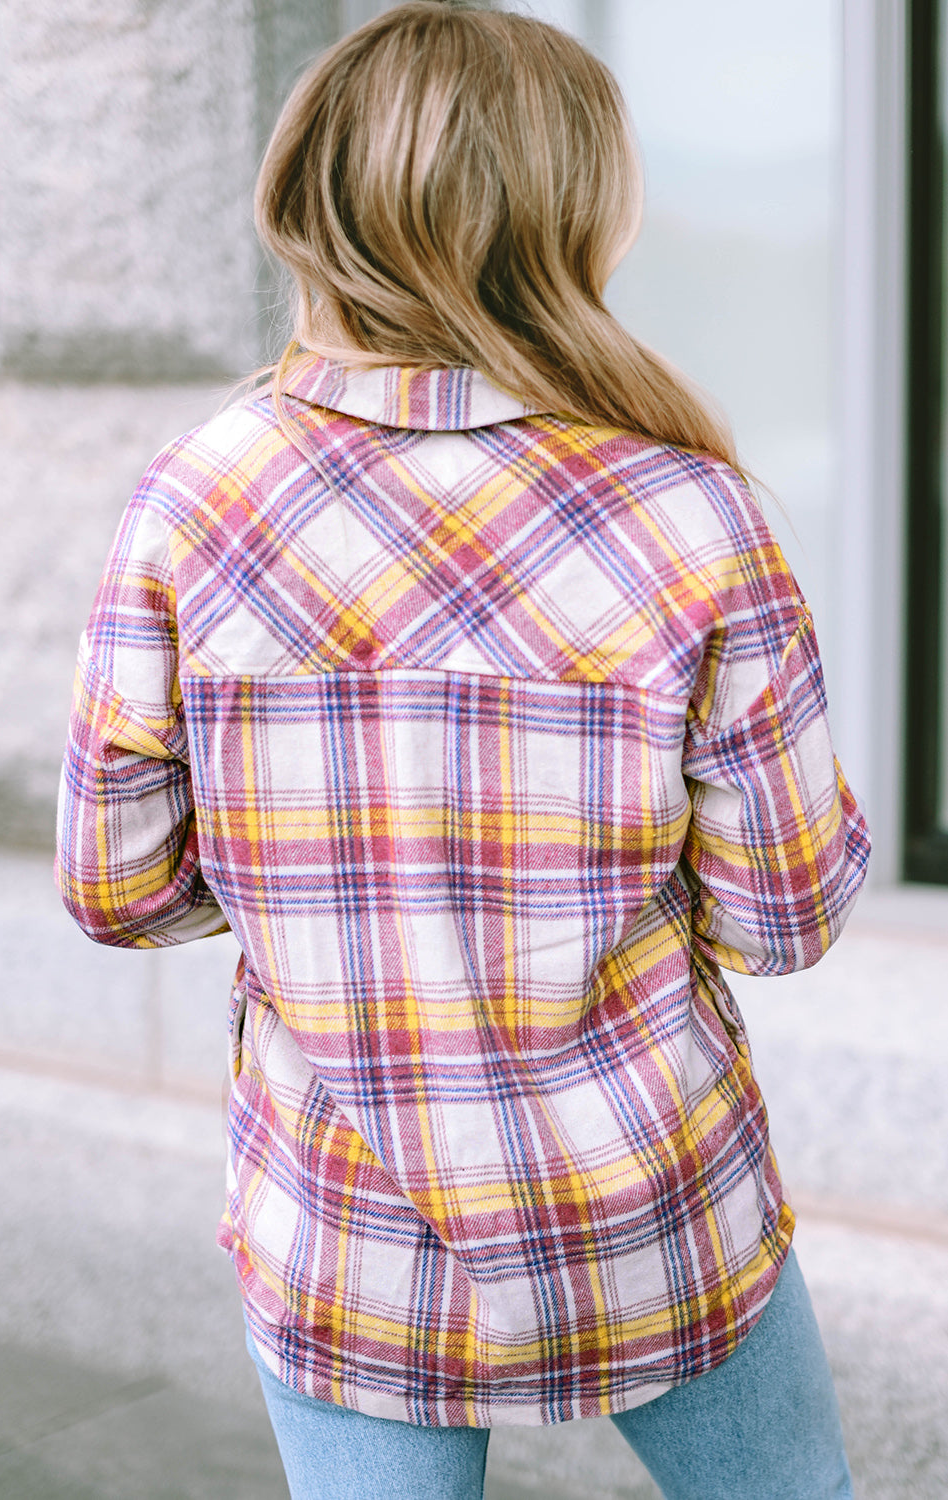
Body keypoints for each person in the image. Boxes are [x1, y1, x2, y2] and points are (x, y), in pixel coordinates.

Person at [56, 5, 870, 1496]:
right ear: (573, 210)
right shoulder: (695, 512)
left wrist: (339, 905)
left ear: (312, 194)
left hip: (345, 1228)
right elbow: (786, 920)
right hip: (649, 1210)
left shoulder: (194, 498)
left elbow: (120, 890)